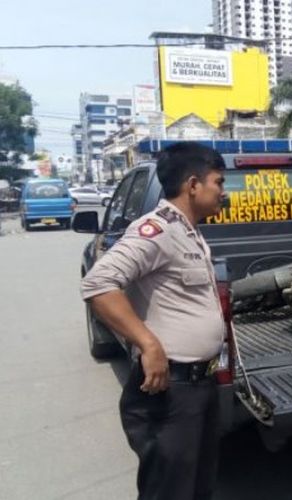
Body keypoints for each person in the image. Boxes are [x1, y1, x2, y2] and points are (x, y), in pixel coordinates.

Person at [80, 142, 227, 500]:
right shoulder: (157, 230)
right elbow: (99, 283)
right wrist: (147, 343)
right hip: (171, 390)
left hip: (201, 384)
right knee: (170, 490)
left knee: (197, 486)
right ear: (193, 185)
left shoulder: (188, 230)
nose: (223, 192)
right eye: (219, 183)